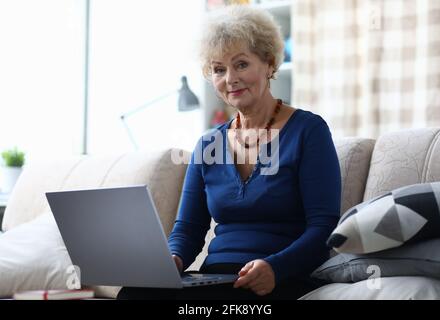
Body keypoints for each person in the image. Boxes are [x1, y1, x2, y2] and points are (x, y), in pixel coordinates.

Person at [117, 5, 341, 300]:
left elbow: (324, 228)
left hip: (281, 276)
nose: (230, 79)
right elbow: (188, 229)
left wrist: (275, 267)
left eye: (241, 64)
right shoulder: (208, 145)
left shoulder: (308, 131)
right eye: (219, 69)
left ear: (270, 63)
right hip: (216, 278)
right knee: (134, 294)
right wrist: (172, 260)